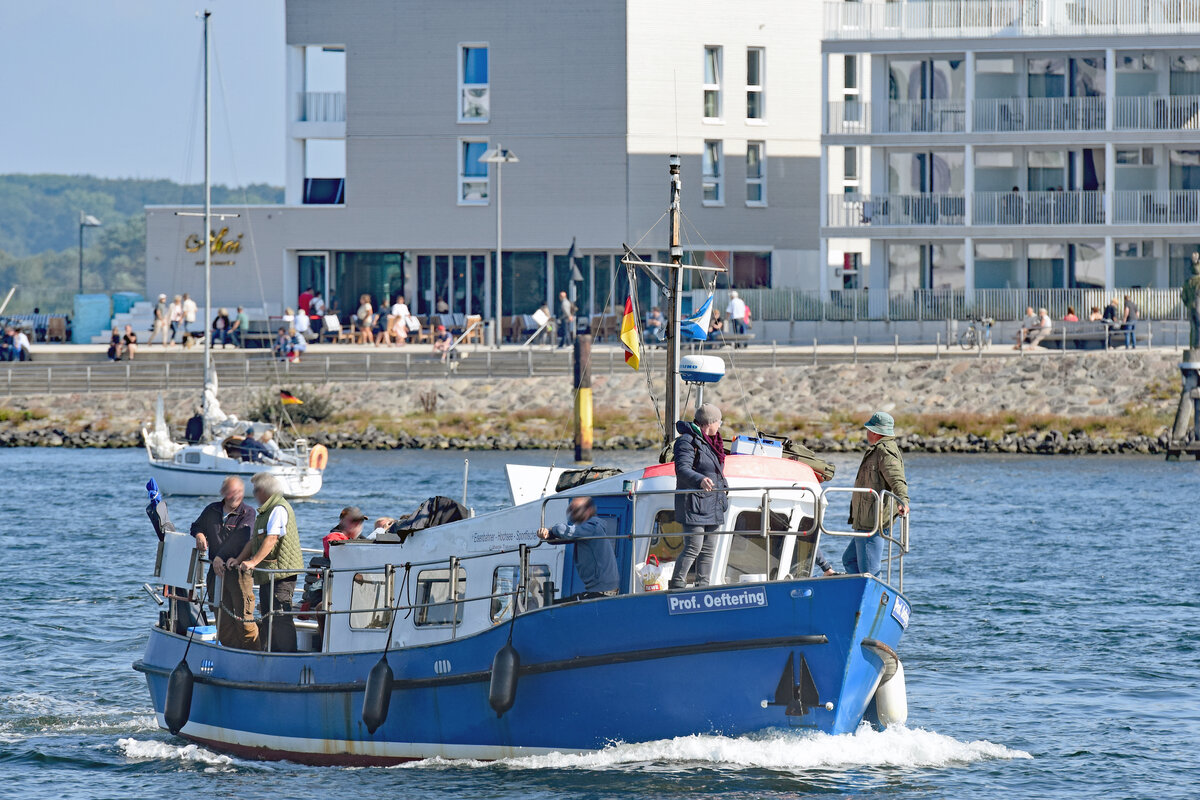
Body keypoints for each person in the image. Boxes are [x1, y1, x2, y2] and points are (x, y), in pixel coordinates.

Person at [228, 472, 303, 653]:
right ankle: (271, 652)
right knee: (268, 615)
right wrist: (238, 560)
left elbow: (271, 539)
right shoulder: (266, 512)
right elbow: (254, 541)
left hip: (281, 573)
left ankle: (287, 656)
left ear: (264, 491)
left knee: (280, 616)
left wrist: (253, 562)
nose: (253, 494)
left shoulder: (278, 509)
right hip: (268, 573)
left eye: (255, 490)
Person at [669, 403, 729, 589]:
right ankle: (677, 585)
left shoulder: (714, 442)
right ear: (710, 422)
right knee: (694, 547)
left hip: (713, 502)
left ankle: (703, 587)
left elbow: (715, 470)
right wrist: (700, 479)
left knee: (709, 550)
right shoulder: (687, 441)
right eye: (719, 422)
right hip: (694, 503)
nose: (720, 425)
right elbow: (682, 469)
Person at [844, 412, 909, 577]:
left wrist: (903, 501)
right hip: (865, 519)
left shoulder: (885, 452)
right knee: (849, 560)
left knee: (869, 572)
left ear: (874, 432)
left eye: (868, 429)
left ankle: (871, 600)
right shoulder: (877, 450)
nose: (866, 432)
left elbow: (897, 480)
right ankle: (859, 596)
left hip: (872, 521)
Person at [537, 496, 619, 600]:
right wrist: (548, 535)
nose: (572, 513)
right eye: (570, 510)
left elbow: (562, 530)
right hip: (597, 592)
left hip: (602, 594)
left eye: (576, 509)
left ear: (589, 510)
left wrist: (552, 529)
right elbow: (560, 539)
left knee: (555, 608)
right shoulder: (584, 530)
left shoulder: (593, 527)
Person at [190, 476, 255, 605]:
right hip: (215, 571)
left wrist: (220, 557)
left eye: (239, 492)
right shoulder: (212, 509)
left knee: (242, 616)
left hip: (238, 572)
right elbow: (196, 526)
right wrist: (199, 534)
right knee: (218, 612)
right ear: (223, 492)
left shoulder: (248, 513)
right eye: (232, 492)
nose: (236, 496)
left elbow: (240, 539)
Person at [1183, 252, 1200, 349]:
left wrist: (1188, 304)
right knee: (1199, 326)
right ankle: (1198, 345)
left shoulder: (1187, 283)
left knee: (1192, 327)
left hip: (1190, 307)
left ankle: (1192, 345)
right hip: (1199, 307)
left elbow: (1183, 297)